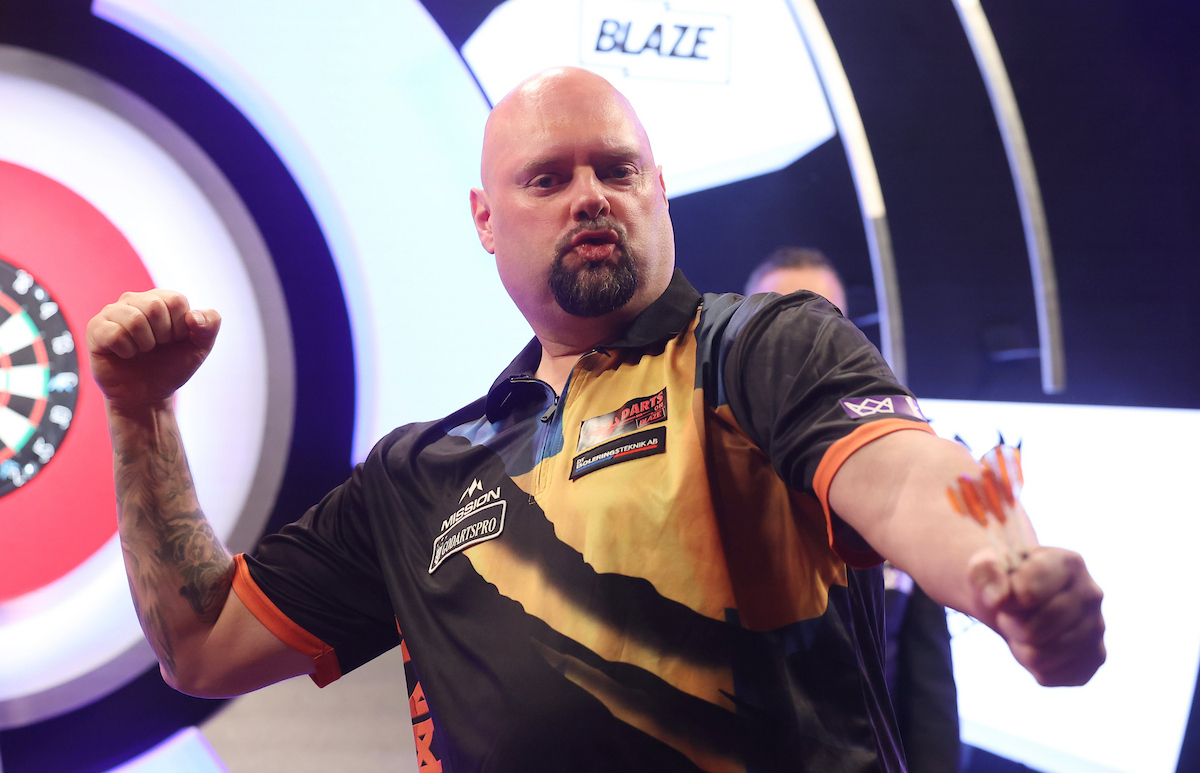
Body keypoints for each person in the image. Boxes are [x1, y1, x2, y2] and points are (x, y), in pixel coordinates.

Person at [87, 67, 1104, 772]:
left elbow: (907, 479)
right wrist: (141, 414)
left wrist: (998, 579)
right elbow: (202, 644)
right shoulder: (417, 476)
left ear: (659, 191)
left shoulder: (759, 348)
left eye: (616, 170)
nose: (590, 197)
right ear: (485, 219)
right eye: (548, 177)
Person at [746, 248, 962, 773]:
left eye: (822, 317)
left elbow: (927, 675)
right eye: (779, 315)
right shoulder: (702, 462)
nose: (801, 336)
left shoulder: (902, 465)